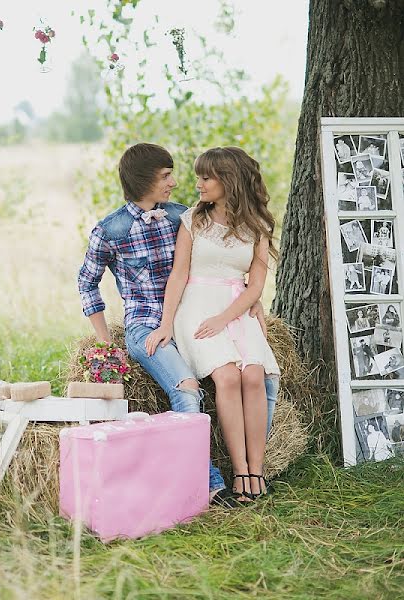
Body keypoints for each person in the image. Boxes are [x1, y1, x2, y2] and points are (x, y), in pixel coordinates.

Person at [77, 143, 279, 506]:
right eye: (167, 175)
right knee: (187, 388)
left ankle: (253, 469)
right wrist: (107, 343)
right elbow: (86, 282)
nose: (176, 182)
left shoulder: (182, 215)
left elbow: (224, 256)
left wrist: (253, 300)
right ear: (145, 180)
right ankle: (210, 484)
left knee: (254, 376)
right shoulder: (111, 229)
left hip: (187, 313)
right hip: (145, 324)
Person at [143, 147, 279, 505]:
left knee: (254, 375)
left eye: (206, 177)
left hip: (235, 307)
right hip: (197, 306)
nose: (198, 184)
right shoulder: (193, 221)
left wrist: (230, 316)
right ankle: (240, 472)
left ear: (229, 181)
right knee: (228, 376)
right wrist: (166, 323)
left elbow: (255, 285)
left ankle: (257, 469)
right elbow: (179, 274)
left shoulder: (258, 226)